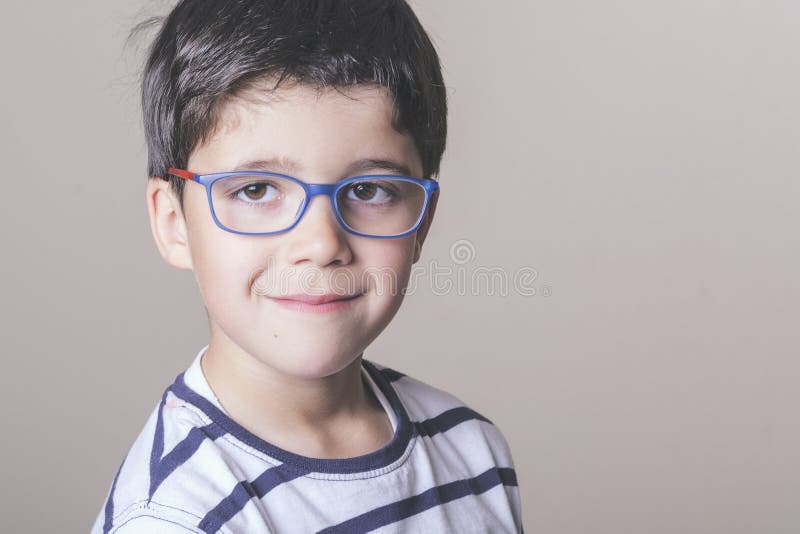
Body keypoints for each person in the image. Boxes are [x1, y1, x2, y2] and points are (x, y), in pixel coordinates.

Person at [92, 1, 523, 532]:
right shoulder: (176, 518)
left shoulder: (472, 452)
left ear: (422, 222)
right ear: (173, 222)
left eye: (369, 189)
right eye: (256, 189)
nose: (321, 244)